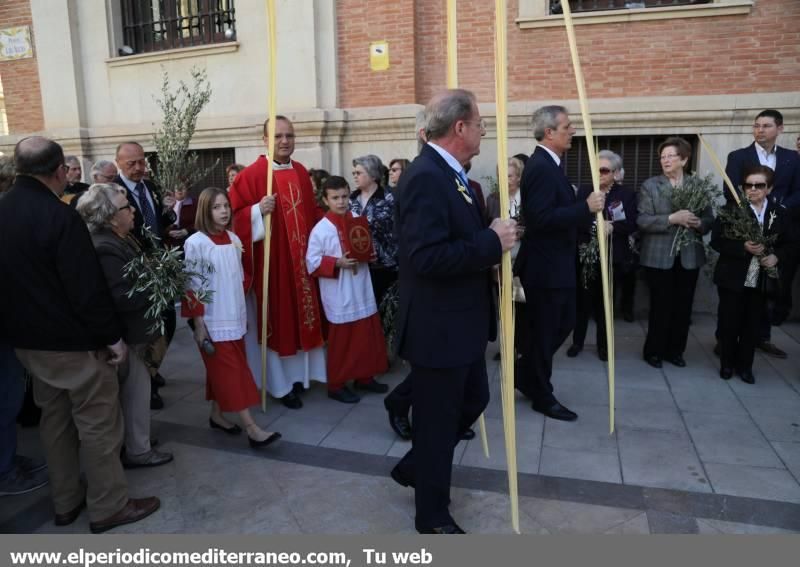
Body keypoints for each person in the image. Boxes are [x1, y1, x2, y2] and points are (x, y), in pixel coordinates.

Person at [0, 136, 159, 533]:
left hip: (27, 342)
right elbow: (84, 288)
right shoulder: (61, 217)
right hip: (72, 343)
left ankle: (66, 500)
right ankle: (109, 506)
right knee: (99, 423)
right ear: (58, 171)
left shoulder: (3, 211)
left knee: (54, 421)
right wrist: (113, 338)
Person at [390, 89, 517, 534]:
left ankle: (414, 467)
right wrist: (490, 241)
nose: (484, 129)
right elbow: (426, 257)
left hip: (461, 324)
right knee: (439, 423)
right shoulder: (427, 176)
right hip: (437, 327)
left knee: (474, 400)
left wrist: (491, 234)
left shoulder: (452, 174)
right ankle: (432, 514)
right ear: (459, 127)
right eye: (480, 121)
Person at [514, 105, 605, 422]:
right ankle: (541, 392)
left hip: (559, 264)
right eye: (567, 126)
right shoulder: (540, 166)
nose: (573, 131)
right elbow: (539, 219)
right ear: (549, 132)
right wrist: (585, 207)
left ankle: (526, 373)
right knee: (547, 329)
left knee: (563, 323)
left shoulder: (551, 164)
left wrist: (589, 224)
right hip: (545, 268)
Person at [229, 115, 326, 409]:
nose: (285, 141)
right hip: (272, 268)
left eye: (290, 136)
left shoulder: (300, 172)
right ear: (265, 141)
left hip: (301, 266)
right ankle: (280, 385)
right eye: (278, 136)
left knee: (302, 320)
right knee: (277, 322)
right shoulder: (252, 175)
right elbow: (233, 219)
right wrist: (257, 210)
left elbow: (312, 216)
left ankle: (300, 378)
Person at [76, 184, 174, 469]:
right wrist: (159, 286)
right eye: (126, 207)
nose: (133, 211)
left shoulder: (120, 237)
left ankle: (135, 441)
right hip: (129, 334)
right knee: (135, 394)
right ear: (109, 216)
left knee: (136, 393)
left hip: (134, 332)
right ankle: (139, 451)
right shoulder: (105, 246)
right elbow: (123, 296)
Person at [182, 188, 282, 448]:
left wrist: (242, 314)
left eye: (226, 206)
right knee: (233, 373)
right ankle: (252, 428)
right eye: (216, 207)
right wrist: (198, 324)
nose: (224, 211)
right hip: (213, 321)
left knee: (223, 372)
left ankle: (217, 415)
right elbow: (192, 285)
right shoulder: (196, 243)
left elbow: (237, 281)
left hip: (234, 318)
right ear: (205, 210)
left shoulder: (235, 239)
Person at [306, 176, 389, 403]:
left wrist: (369, 254)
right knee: (343, 340)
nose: (341, 202)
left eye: (344, 196)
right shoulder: (320, 230)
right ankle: (336, 384)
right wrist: (336, 263)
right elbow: (311, 262)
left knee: (365, 335)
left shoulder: (357, 220)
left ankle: (364, 377)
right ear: (325, 200)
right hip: (339, 291)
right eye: (335, 198)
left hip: (360, 287)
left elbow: (366, 246)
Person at [725, 109, 800, 354]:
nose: (760, 130)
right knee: (741, 287)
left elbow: (798, 190)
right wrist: (750, 216)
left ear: (780, 128)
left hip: (779, 230)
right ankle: (725, 338)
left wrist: (780, 209)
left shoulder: (792, 158)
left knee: (769, 285)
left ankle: (761, 336)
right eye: (757, 125)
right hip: (747, 230)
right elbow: (731, 192)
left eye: (766, 126)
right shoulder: (738, 157)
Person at [711, 166, 794, 385]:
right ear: (743, 187)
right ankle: (727, 364)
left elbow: (792, 244)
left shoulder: (780, 213)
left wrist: (776, 256)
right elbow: (716, 241)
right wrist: (742, 247)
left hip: (761, 278)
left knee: (752, 324)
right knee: (729, 322)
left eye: (759, 185)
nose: (754, 189)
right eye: (749, 185)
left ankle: (745, 367)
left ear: (769, 188)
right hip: (733, 277)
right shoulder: (731, 210)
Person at [638, 137, 713, 369]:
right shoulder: (651, 185)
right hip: (658, 257)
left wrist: (697, 222)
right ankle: (654, 352)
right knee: (660, 307)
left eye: (671, 156)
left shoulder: (697, 186)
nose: (665, 160)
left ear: (684, 159)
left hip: (689, 256)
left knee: (683, 308)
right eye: (663, 157)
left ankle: (676, 351)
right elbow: (642, 220)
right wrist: (672, 218)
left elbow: (710, 220)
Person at [114, 141, 178, 409]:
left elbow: (159, 222)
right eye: (133, 163)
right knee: (147, 328)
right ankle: (145, 383)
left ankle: (153, 367)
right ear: (118, 163)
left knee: (169, 321)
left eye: (142, 161)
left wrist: (168, 212)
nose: (140, 168)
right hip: (135, 269)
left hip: (160, 265)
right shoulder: (113, 194)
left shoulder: (150, 187)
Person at [568, 150, 638, 360]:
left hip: (612, 257)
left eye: (604, 170)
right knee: (583, 302)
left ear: (615, 173)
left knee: (605, 304)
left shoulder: (626, 195)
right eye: (596, 169)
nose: (599, 174)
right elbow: (576, 220)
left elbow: (632, 224)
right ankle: (577, 342)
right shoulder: (584, 191)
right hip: (586, 256)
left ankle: (603, 346)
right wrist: (595, 225)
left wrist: (612, 227)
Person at [350, 154, 398, 310]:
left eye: (359, 173)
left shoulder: (389, 198)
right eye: (354, 173)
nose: (355, 177)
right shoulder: (351, 199)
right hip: (358, 267)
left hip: (385, 267)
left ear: (372, 175)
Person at [163, 183, 197, 249]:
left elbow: (200, 221)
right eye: (177, 187)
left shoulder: (195, 203)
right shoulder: (165, 203)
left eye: (183, 187)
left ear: (188, 189)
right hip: (169, 244)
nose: (179, 190)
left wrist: (187, 231)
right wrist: (167, 231)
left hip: (189, 242)